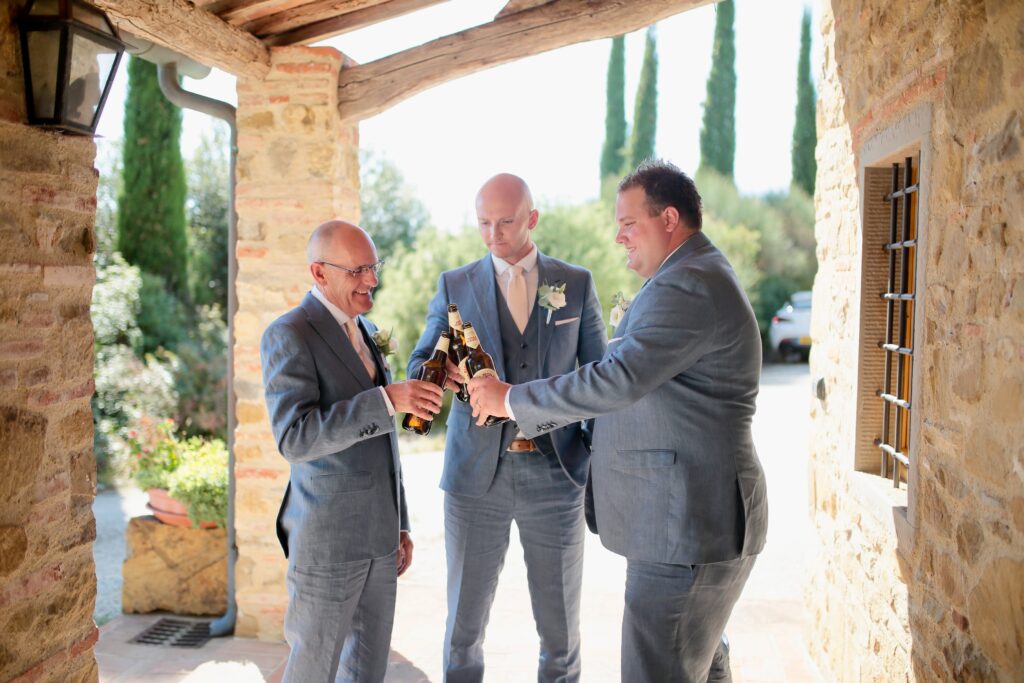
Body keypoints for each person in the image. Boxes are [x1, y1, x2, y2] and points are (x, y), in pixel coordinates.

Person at [468, 161, 768, 682]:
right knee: (697, 663)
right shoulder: (689, 275)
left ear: (669, 218)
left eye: (629, 223)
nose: (618, 236)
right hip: (690, 524)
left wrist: (511, 398)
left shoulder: (688, 285)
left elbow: (617, 378)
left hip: (686, 528)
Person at [407, 174, 607, 682]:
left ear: (532, 219)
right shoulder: (455, 284)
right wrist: (442, 369)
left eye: (505, 221)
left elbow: (601, 379)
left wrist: (587, 456)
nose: (493, 233)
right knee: (463, 628)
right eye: (484, 222)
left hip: (556, 474)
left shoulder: (575, 283)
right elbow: (420, 362)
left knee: (560, 631)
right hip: (476, 477)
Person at [260, 220, 444, 683]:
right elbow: (295, 438)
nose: (372, 280)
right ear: (319, 273)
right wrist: (386, 400)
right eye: (358, 270)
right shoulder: (289, 334)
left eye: (374, 267)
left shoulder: (369, 329)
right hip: (327, 542)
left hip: (381, 541)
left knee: (367, 672)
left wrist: (399, 522)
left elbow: (383, 443)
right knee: (312, 671)